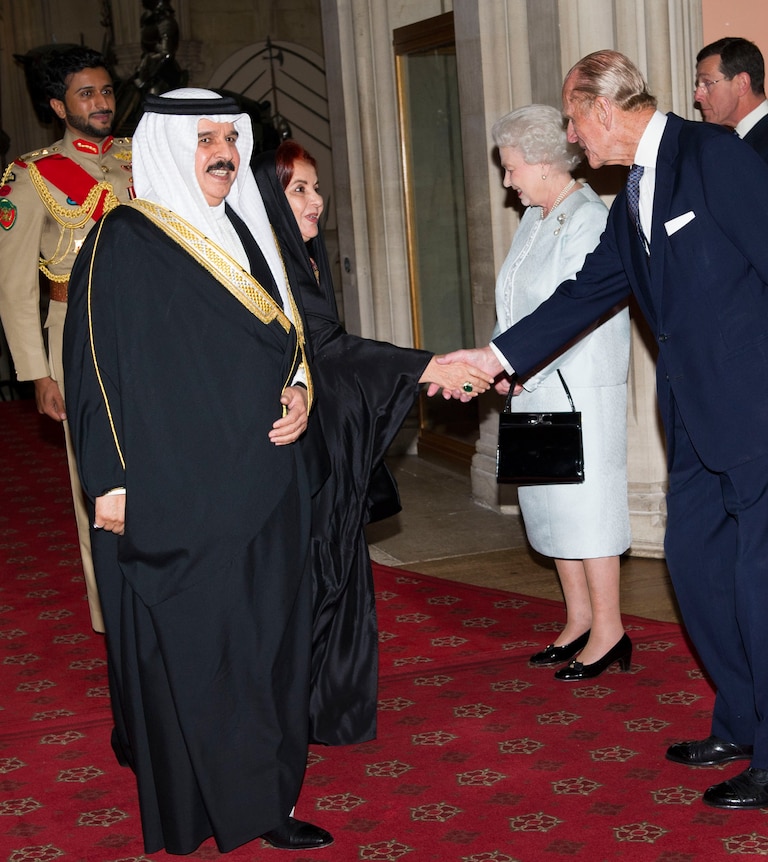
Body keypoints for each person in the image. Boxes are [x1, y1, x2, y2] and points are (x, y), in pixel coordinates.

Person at [439, 50, 768, 811]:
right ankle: (744, 720)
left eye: (570, 117)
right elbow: (588, 290)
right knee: (692, 564)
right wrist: (492, 357)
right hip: (691, 414)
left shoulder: (713, 155)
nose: (569, 134)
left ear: (603, 108)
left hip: (758, 404)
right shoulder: (632, 196)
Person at [63, 88, 334, 854]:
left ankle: (268, 797)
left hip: (267, 486)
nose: (224, 151)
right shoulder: (123, 240)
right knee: (206, 652)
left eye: (231, 136)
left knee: (269, 648)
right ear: (163, 146)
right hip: (178, 496)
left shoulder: (248, 229)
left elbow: (292, 340)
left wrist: (302, 395)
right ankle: (224, 807)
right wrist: (110, 482)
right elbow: (91, 369)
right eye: (205, 137)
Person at [253, 140, 492, 745]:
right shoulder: (267, 264)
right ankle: (302, 709)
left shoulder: (301, 259)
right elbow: (326, 349)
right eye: (299, 190)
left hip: (319, 436)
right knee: (316, 570)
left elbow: (329, 347)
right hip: (291, 447)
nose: (317, 201)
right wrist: (428, 367)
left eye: (316, 187)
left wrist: (423, 367)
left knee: (332, 563)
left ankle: (322, 706)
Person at [489, 105, 632, 680]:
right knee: (550, 511)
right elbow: (516, 305)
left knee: (588, 512)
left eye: (511, 168)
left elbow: (575, 313)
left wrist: (523, 367)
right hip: (533, 386)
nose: (507, 180)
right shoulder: (535, 217)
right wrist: (502, 363)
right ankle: (577, 622)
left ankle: (611, 629)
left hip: (576, 388)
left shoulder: (588, 218)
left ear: (546, 163)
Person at [0, 46, 133, 632]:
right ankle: (111, 613)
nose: (101, 102)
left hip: (154, 334)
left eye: (105, 91)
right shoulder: (30, 178)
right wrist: (38, 373)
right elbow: (12, 287)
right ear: (58, 105)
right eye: (86, 93)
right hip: (76, 336)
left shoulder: (142, 159)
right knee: (98, 477)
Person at [694, 36, 768, 221]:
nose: (698, 95)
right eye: (698, 86)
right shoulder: (734, 141)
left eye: (707, 83)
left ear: (742, 84)